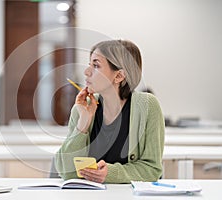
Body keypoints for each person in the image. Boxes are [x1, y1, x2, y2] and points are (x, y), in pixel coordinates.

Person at [55, 40, 165, 184]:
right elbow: (66, 172)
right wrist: (83, 123)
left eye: (96, 65)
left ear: (119, 76)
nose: (86, 72)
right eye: (89, 65)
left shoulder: (148, 106)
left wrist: (112, 173)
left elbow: (152, 170)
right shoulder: (82, 108)